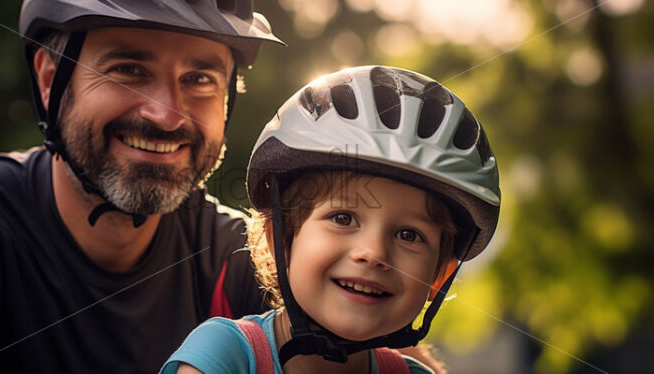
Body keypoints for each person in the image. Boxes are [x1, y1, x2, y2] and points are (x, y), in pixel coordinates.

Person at [0, 0, 284, 373]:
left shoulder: (250, 259)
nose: (168, 116)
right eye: (129, 69)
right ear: (50, 81)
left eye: (200, 79)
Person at [160, 65, 501, 373]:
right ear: (277, 239)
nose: (374, 253)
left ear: (438, 279)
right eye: (342, 217)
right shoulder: (225, 355)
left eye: (409, 235)